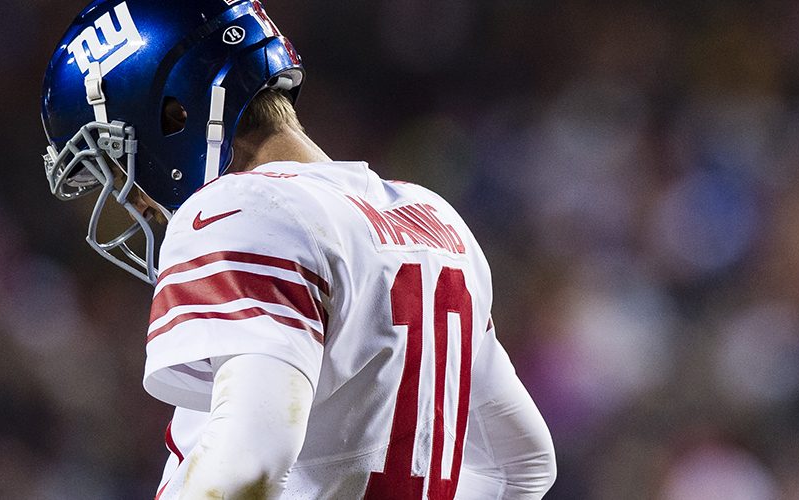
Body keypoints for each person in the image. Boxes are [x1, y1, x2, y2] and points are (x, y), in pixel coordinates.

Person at [37, 1, 557, 498]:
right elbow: (519, 465)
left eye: (118, 165)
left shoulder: (241, 209)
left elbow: (246, 470)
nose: (133, 199)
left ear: (174, 115)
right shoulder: (432, 218)